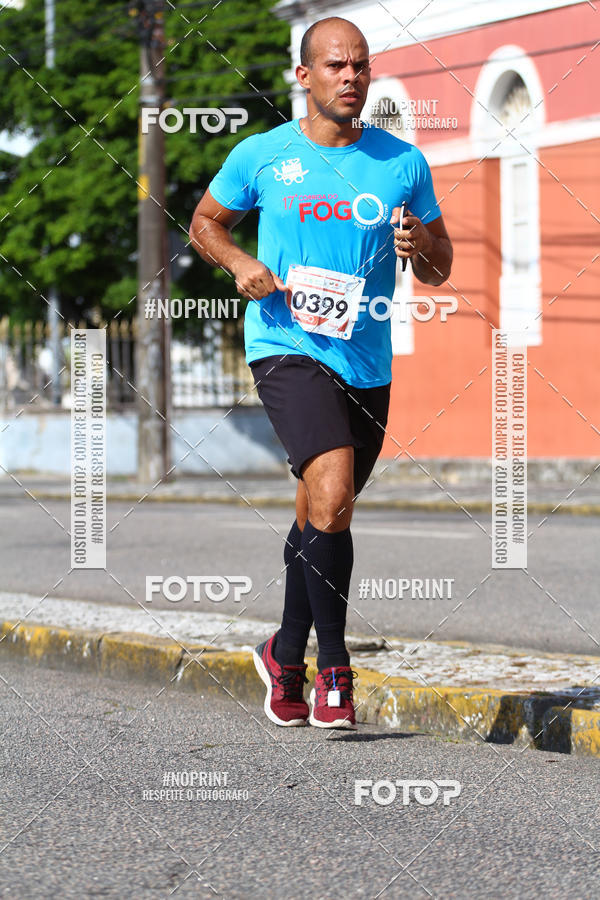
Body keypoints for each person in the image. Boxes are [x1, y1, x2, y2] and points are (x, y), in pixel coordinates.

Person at [188, 16, 452, 729]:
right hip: (284, 343)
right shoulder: (263, 156)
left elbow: (438, 268)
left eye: (361, 66)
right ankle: (335, 671)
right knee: (331, 489)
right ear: (304, 77)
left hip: (365, 358)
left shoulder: (402, 164)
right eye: (336, 65)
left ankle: (283, 654)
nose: (351, 77)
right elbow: (205, 222)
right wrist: (241, 262)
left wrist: (422, 240)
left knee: (320, 510)